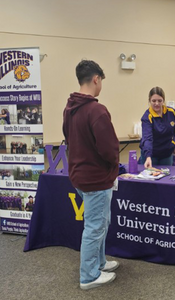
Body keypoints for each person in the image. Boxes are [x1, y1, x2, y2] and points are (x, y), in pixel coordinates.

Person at [62, 60, 119, 290]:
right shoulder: (97, 110)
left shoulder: (69, 108)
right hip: (96, 179)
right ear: (96, 79)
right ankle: (88, 276)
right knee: (95, 227)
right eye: (101, 81)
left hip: (80, 176)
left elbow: (68, 138)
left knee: (100, 223)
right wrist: (113, 165)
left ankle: (100, 263)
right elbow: (109, 149)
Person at [139, 87, 175, 168]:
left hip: (166, 154)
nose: (157, 103)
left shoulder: (172, 112)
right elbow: (147, 138)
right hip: (151, 154)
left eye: (159, 101)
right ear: (149, 100)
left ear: (163, 100)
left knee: (166, 178)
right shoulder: (147, 117)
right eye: (154, 101)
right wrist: (148, 156)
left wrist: (174, 143)